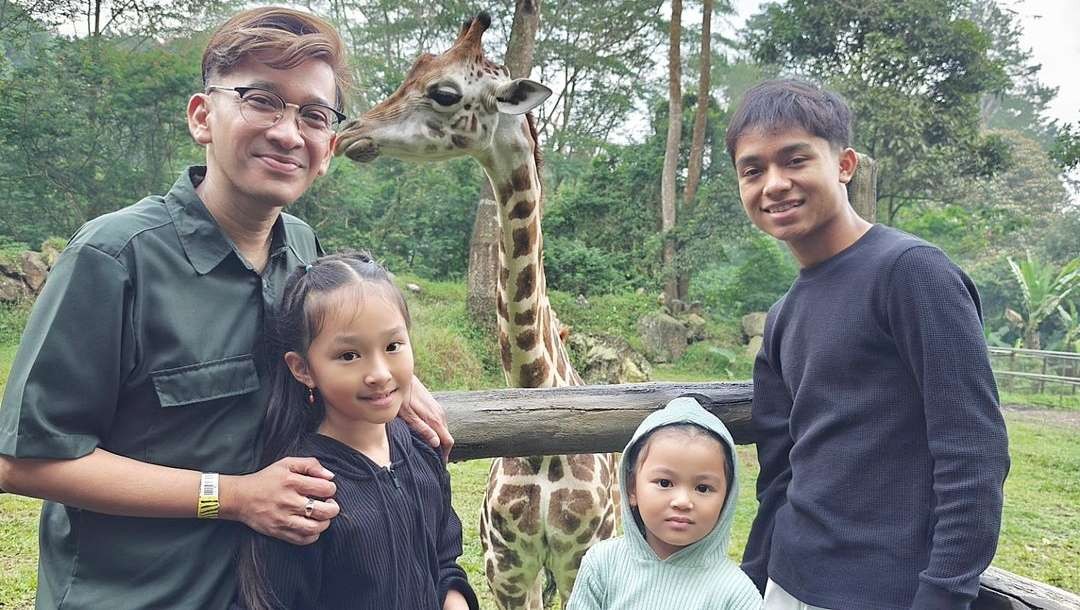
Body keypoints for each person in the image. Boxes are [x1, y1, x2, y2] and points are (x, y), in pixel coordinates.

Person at [0, 8, 452, 609]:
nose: (288, 133)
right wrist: (234, 496)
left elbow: (338, 346)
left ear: (327, 147)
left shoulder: (304, 251)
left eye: (313, 115)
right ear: (202, 116)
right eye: (262, 100)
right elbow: (26, 461)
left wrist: (400, 378)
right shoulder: (114, 259)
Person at [728, 79, 1010, 609]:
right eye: (753, 170)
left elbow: (974, 451)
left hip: (888, 593)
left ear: (845, 165)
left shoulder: (910, 274)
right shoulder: (784, 316)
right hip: (790, 584)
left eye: (795, 160)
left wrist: (945, 594)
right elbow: (781, 469)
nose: (774, 184)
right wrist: (755, 578)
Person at [233, 252, 478, 610]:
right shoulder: (302, 491)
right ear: (303, 369)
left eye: (393, 346)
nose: (379, 372)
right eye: (349, 355)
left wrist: (454, 599)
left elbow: (444, 561)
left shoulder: (422, 452)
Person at [566, 396, 762, 610]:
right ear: (632, 488)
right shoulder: (603, 565)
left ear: (727, 497)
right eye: (665, 482)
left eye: (703, 488)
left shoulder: (736, 595)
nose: (683, 502)